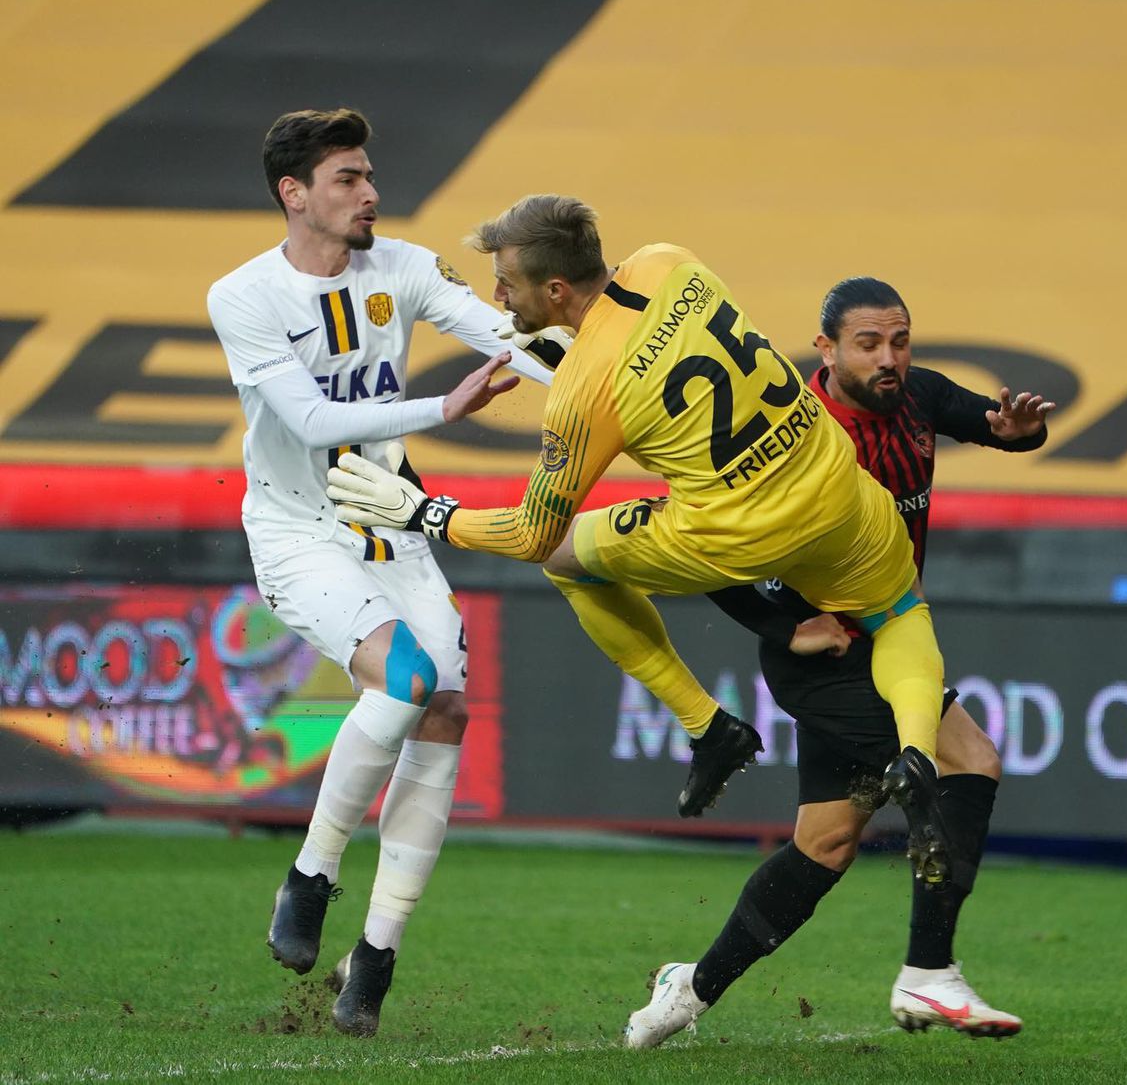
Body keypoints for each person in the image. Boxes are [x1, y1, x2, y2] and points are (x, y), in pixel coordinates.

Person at [325, 196, 951, 850]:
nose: (498, 294)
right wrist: (572, 345)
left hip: (739, 529)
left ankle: (708, 726)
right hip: (832, 479)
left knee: (564, 560)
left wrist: (428, 513)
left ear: (557, 289)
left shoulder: (581, 394)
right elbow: (653, 355)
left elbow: (532, 532)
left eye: (508, 282)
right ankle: (916, 754)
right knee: (902, 608)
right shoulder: (668, 262)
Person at [623, 276, 1053, 1047]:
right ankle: (930, 973)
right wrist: (784, 629)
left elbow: (992, 425)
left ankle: (686, 989)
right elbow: (706, 546)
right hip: (822, 656)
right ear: (825, 349)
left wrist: (1020, 432)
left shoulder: (916, 396)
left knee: (824, 845)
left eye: (900, 339)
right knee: (969, 762)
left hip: (890, 642)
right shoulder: (790, 429)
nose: (890, 358)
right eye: (869, 343)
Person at [206, 108, 553, 1038]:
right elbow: (316, 422)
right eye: (349, 178)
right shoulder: (241, 296)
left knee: (443, 709)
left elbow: (510, 334)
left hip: (387, 522)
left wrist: (607, 376)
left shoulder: (400, 267)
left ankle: (376, 954)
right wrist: (450, 401)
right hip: (297, 529)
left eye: (369, 175)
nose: (371, 191)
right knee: (404, 677)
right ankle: (311, 876)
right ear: (296, 193)